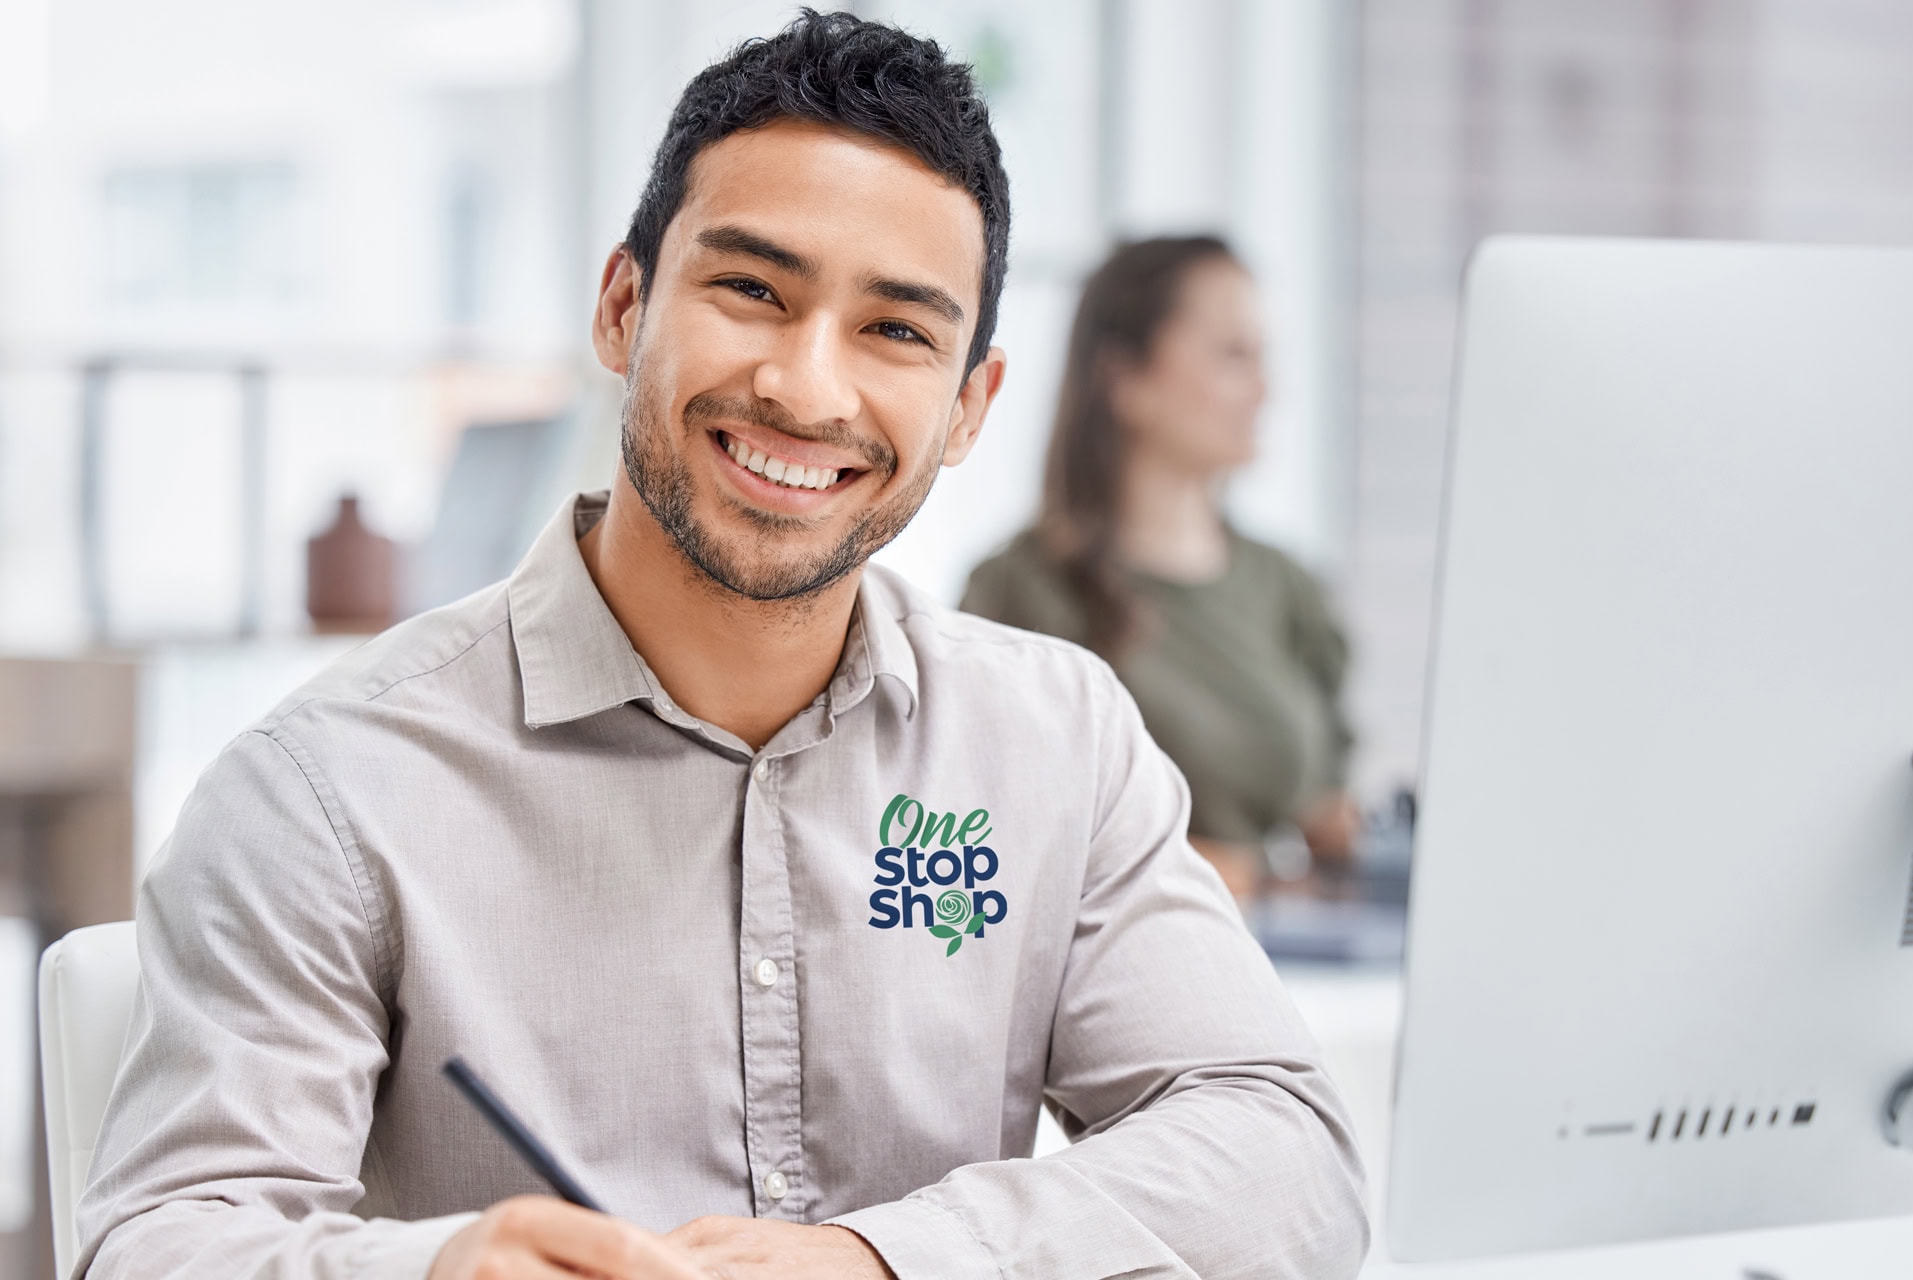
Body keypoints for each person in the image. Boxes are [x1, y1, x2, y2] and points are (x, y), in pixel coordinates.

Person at [75, 15, 1368, 1280]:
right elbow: (160, 1242)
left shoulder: (1054, 742)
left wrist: (878, 1257)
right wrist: (437, 1269)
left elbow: (1286, 1164)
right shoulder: (328, 791)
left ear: (970, 407)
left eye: (896, 330)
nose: (807, 391)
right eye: (753, 290)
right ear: (624, 307)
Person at [961, 236, 1359, 899]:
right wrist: (1227, 872)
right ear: (1126, 380)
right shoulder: (1020, 592)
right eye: (1234, 356)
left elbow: (1327, 813)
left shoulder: (1287, 588)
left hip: (1296, 970)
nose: (1265, 391)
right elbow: (999, 830)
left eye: (1262, 358)